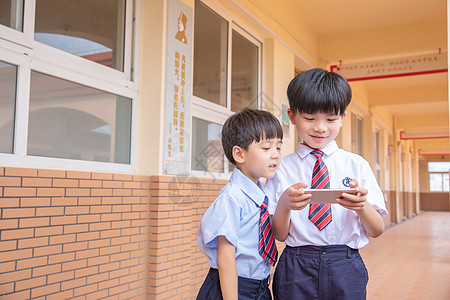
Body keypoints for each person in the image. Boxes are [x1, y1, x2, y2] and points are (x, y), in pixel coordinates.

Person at [265, 68, 388, 299]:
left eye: (330, 119)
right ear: (292, 117)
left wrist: (362, 206)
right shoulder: (281, 168)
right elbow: (280, 235)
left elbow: (377, 230)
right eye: (310, 118)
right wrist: (284, 204)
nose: (320, 127)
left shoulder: (357, 165)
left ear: (343, 117)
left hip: (346, 264)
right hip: (297, 266)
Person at [197, 108, 283, 299]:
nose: (276, 154)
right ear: (239, 154)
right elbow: (226, 259)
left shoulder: (261, 193)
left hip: (259, 287)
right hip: (233, 288)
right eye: (266, 148)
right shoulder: (232, 198)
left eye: (278, 147)